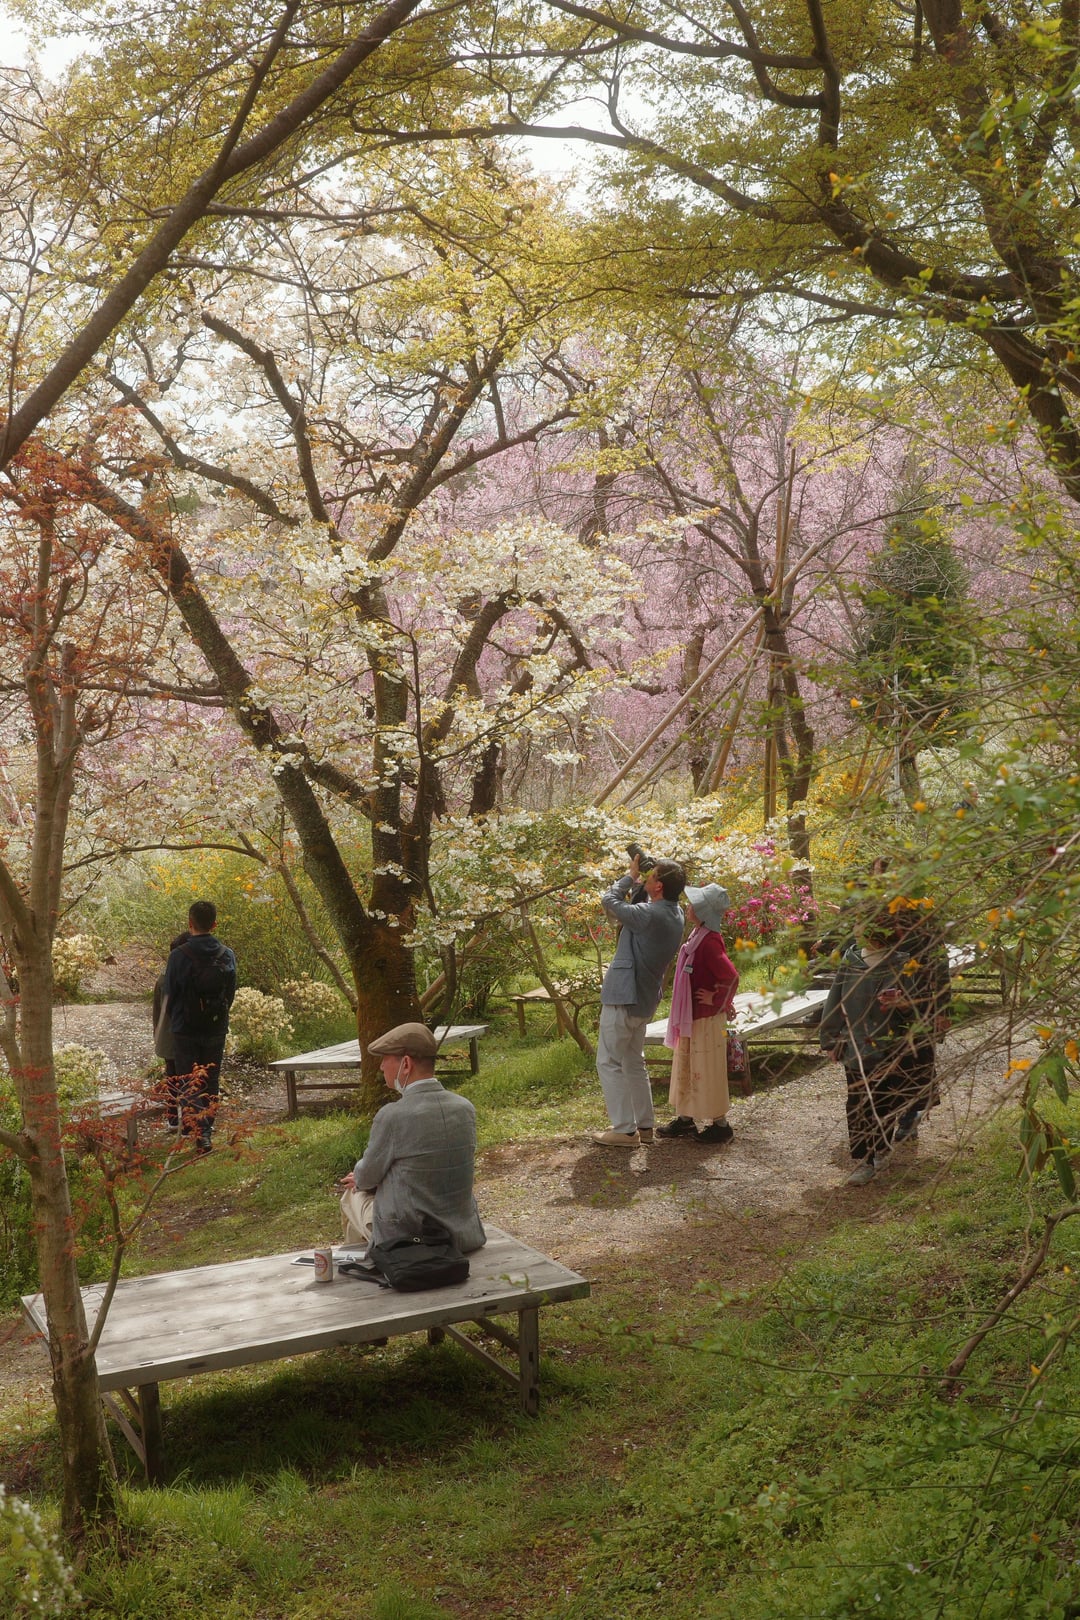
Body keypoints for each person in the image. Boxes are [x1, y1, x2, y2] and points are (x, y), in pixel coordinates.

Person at [819, 905, 950, 1186]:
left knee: (884, 1102)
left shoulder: (902, 964)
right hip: (856, 1047)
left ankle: (880, 1148)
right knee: (857, 1104)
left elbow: (918, 1012)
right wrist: (829, 1039)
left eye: (859, 924)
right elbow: (834, 1001)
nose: (854, 929)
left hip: (891, 1048)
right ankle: (863, 1160)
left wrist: (903, 1004)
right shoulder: (851, 960)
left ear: (875, 932)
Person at [338, 1022, 486, 1254]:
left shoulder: (392, 1115)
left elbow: (366, 1178)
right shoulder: (465, 1108)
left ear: (405, 1064)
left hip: (410, 1241)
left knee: (351, 1194)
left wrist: (359, 1177)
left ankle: (366, 1262)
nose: (380, 1066)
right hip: (463, 1236)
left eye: (385, 1059)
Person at [592, 853, 686, 1148]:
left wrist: (630, 875)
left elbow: (610, 900)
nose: (646, 877)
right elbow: (641, 907)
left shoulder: (649, 915)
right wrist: (644, 880)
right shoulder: (675, 913)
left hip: (624, 996)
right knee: (634, 1061)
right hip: (644, 999)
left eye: (651, 875)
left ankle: (624, 1130)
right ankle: (644, 1126)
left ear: (659, 886)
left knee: (608, 1061)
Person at [659, 883, 740, 1144]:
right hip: (693, 1015)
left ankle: (721, 1124)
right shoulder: (698, 935)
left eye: (694, 904)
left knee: (706, 1067)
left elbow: (731, 976)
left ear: (704, 911)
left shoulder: (709, 942)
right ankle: (686, 1118)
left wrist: (717, 999)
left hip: (706, 1017)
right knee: (689, 1064)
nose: (688, 906)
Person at [162, 900, 237, 1152]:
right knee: (211, 1079)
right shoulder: (227, 954)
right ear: (214, 924)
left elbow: (169, 995)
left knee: (189, 1081)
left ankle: (199, 1131)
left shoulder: (178, 956)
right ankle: (206, 1131)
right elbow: (230, 994)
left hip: (185, 1029)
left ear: (189, 923)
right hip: (216, 1028)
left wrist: (179, 1019)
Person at [152, 931, 191, 1131]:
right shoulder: (169, 979)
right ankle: (179, 1120)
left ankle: (174, 1119)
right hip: (173, 1037)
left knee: (173, 1079)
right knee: (179, 1080)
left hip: (167, 1038)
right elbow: (165, 1010)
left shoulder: (165, 976)